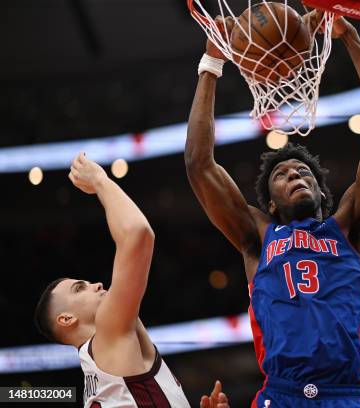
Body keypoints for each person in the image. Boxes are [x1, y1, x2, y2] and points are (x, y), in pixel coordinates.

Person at [185, 11, 360, 408]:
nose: (296, 176)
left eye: (304, 172)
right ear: (270, 203)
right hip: (280, 394)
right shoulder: (258, 237)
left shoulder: (354, 225)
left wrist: (349, 37)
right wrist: (211, 64)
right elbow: (199, 164)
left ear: (322, 193)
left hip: (345, 395)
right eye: (283, 175)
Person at [34, 153, 230, 408]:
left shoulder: (100, 374)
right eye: (79, 288)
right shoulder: (106, 335)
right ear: (66, 319)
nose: (96, 285)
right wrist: (99, 181)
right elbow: (137, 234)